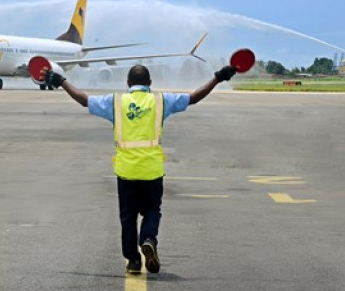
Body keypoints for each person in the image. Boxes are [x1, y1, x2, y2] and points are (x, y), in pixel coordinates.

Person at [42, 63, 237, 274]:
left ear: (128, 84)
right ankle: (148, 239)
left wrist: (60, 81)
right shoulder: (161, 100)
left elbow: (84, 100)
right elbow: (194, 97)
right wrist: (218, 77)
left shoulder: (116, 102)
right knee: (153, 210)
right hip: (152, 169)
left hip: (126, 170)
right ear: (150, 83)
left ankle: (133, 261)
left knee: (128, 217)